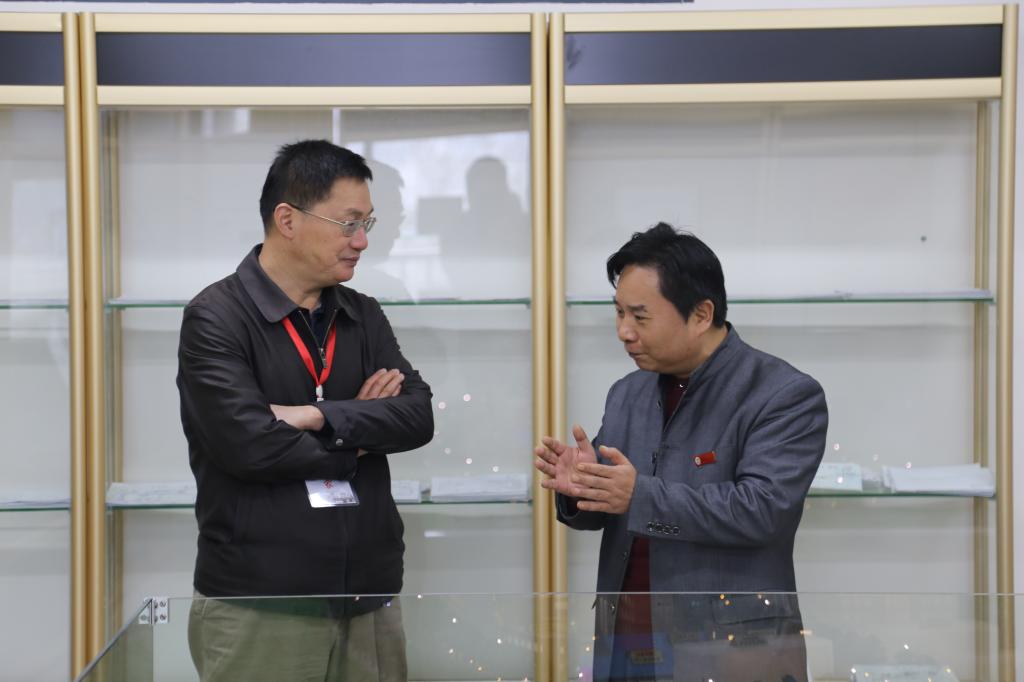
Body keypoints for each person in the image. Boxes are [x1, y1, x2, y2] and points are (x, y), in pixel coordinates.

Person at [177, 139, 433, 681]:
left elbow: (417, 416)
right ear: (287, 220)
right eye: (348, 223)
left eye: (367, 223)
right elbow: (251, 446)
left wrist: (316, 416)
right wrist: (358, 434)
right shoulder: (216, 317)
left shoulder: (362, 313)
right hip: (263, 600)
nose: (362, 241)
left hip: (368, 594)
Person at [535, 223, 828, 682]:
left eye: (640, 317)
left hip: (730, 649)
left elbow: (763, 510)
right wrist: (583, 487)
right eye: (618, 313)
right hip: (626, 637)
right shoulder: (627, 392)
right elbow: (618, 504)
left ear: (701, 314)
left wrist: (637, 495)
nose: (623, 332)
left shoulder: (782, 393)